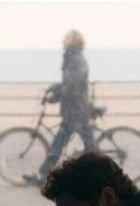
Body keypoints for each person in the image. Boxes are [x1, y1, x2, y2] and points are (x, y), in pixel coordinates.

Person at [24, 29, 94, 186]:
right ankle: (41, 175)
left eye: (66, 38)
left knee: (89, 149)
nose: (63, 41)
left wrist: (56, 96)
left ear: (73, 41)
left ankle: (108, 178)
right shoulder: (72, 58)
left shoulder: (75, 59)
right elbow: (68, 83)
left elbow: (73, 86)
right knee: (59, 146)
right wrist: (54, 88)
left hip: (76, 111)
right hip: (73, 110)